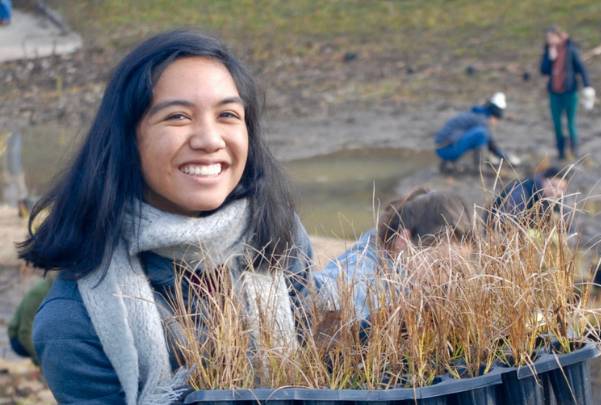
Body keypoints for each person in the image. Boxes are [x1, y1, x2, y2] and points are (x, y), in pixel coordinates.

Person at [20, 30, 314, 404]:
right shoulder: (74, 321)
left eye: (228, 114)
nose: (209, 140)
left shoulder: (276, 234)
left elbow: (322, 371)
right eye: (177, 116)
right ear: (127, 139)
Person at [312, 189, 474, 321]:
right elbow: (326, 290)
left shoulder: (403, 269)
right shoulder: (366, 275)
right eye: (440, 266)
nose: (448, 280)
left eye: (458, 268)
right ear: (404, 241)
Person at [539, 26, 594, 161]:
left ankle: (574, 151)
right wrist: (550, 59)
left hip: (570, 92)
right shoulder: (548, 51)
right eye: (548, 38)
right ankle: (561, 152)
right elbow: (543, 70)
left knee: (570, 123)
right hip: (554, 94)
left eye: (552, 37)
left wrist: (588, 86)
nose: (550, 40)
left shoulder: (571, 50)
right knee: (557, 124)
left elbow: (582, 68)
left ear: (559, 37)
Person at [434, 92, 515, 174]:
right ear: (494, 116)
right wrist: (507, 158)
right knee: (481, 134)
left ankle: (447, 164)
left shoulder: (477, 115)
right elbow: (492, 145)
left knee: (477, 135)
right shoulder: (482, 120)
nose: (495, 123)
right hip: (447, 150)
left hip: (442, 148)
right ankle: (479, 168)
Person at [7, 274, 55, 365]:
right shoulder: (39, 293)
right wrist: (40, 360)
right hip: (18, 340)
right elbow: (24, 333)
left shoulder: (57, 289)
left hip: (37, 336)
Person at [490, 166, 569, 219]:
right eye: (553, 185)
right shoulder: (522, 193)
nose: (556, 191)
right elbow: (505, 223)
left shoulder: (556, 198)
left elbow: (568, 226)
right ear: (542, 180)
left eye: (561, 189)